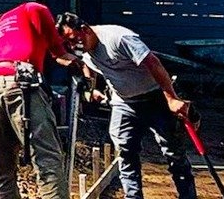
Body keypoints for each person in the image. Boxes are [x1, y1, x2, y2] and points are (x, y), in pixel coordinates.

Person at [56, 13, 197, 199]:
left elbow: (153, 63)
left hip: (155, 97)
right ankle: (133, 196)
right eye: (68, 44)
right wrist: (92, 89)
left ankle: (187, 196)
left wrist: (171, 98)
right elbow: (87, 67)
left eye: (74, 40)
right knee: (125, 152)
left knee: (173, 152)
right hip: (124, 103)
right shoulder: (83, 50)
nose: (73, 46)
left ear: (85, 29)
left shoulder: (118, 38)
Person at [0, 0, 70, 199]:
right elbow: (37, 8)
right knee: (47, 159)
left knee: (2, 162)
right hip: (18, 81)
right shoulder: (28, 10)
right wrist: (59, 51)